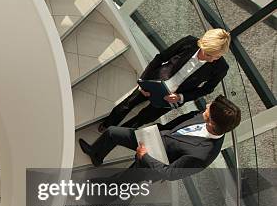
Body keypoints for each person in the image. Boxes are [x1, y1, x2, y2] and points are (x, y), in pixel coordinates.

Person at [79, 95, 241, 181]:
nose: (206, 106)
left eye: (209, 109)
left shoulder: (202, 155)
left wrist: (145, 156)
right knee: (113, 132)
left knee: (125, 180)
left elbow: (171, 174)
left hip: (154, 161)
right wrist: (155, 130)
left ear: (212, 122)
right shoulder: (202, 116)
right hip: (153, 138)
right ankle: (96, 154)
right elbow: (177, 124)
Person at [98, 29, 231, 132]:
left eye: (217, 56)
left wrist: (181, 97)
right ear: (202, 45)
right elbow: (161, 57)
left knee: (143, 118)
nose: (213, 59)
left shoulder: (221, 67)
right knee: (128, 104)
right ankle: (107, 124)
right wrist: (143, 80)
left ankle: (115, 134)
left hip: (172, 98)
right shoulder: (189, 42)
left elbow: (207, 89)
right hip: (155, 82)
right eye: (209, 55)